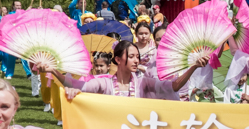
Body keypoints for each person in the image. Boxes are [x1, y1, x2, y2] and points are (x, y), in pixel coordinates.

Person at [60, 40, 208, 100]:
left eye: (137, 56)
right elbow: (78, 86)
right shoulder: (104, 84)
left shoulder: (143, 83)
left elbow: (173, 86)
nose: (136, 60)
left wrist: (194, 66)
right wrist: (54, 71)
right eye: (131, 56)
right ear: (118, 60)